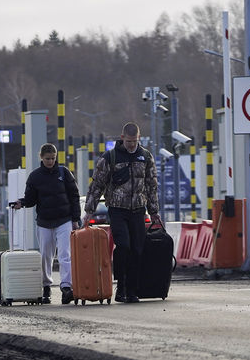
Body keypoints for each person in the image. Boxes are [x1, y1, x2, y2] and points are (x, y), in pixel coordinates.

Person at [83, 122, 162, 303]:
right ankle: (121, 285)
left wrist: (154, 211)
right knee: (123, 246)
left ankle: (132, 290)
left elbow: (151, 186)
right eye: (128, 141)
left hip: (138, 210)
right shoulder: (110, 157)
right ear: (122, 138)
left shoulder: (146, 156)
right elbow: (97, 185)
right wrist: (89, 210)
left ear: (138, 139)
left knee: (137, 249)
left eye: (134, 141)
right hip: (117, 209)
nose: (132, 145)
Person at [12, 143, 80, 304]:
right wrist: (22, 202)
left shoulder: (64, 173)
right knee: (45, 256)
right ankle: (46, 286)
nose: (50, 161)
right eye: (48, 158)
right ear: (41, 158)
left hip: (64, 220)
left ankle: (66, 287)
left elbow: (74, 196)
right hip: (44, 222)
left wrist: (75, 219)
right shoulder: (35, 177)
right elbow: (31, 199)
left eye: (53, 158)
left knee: (65, 254)